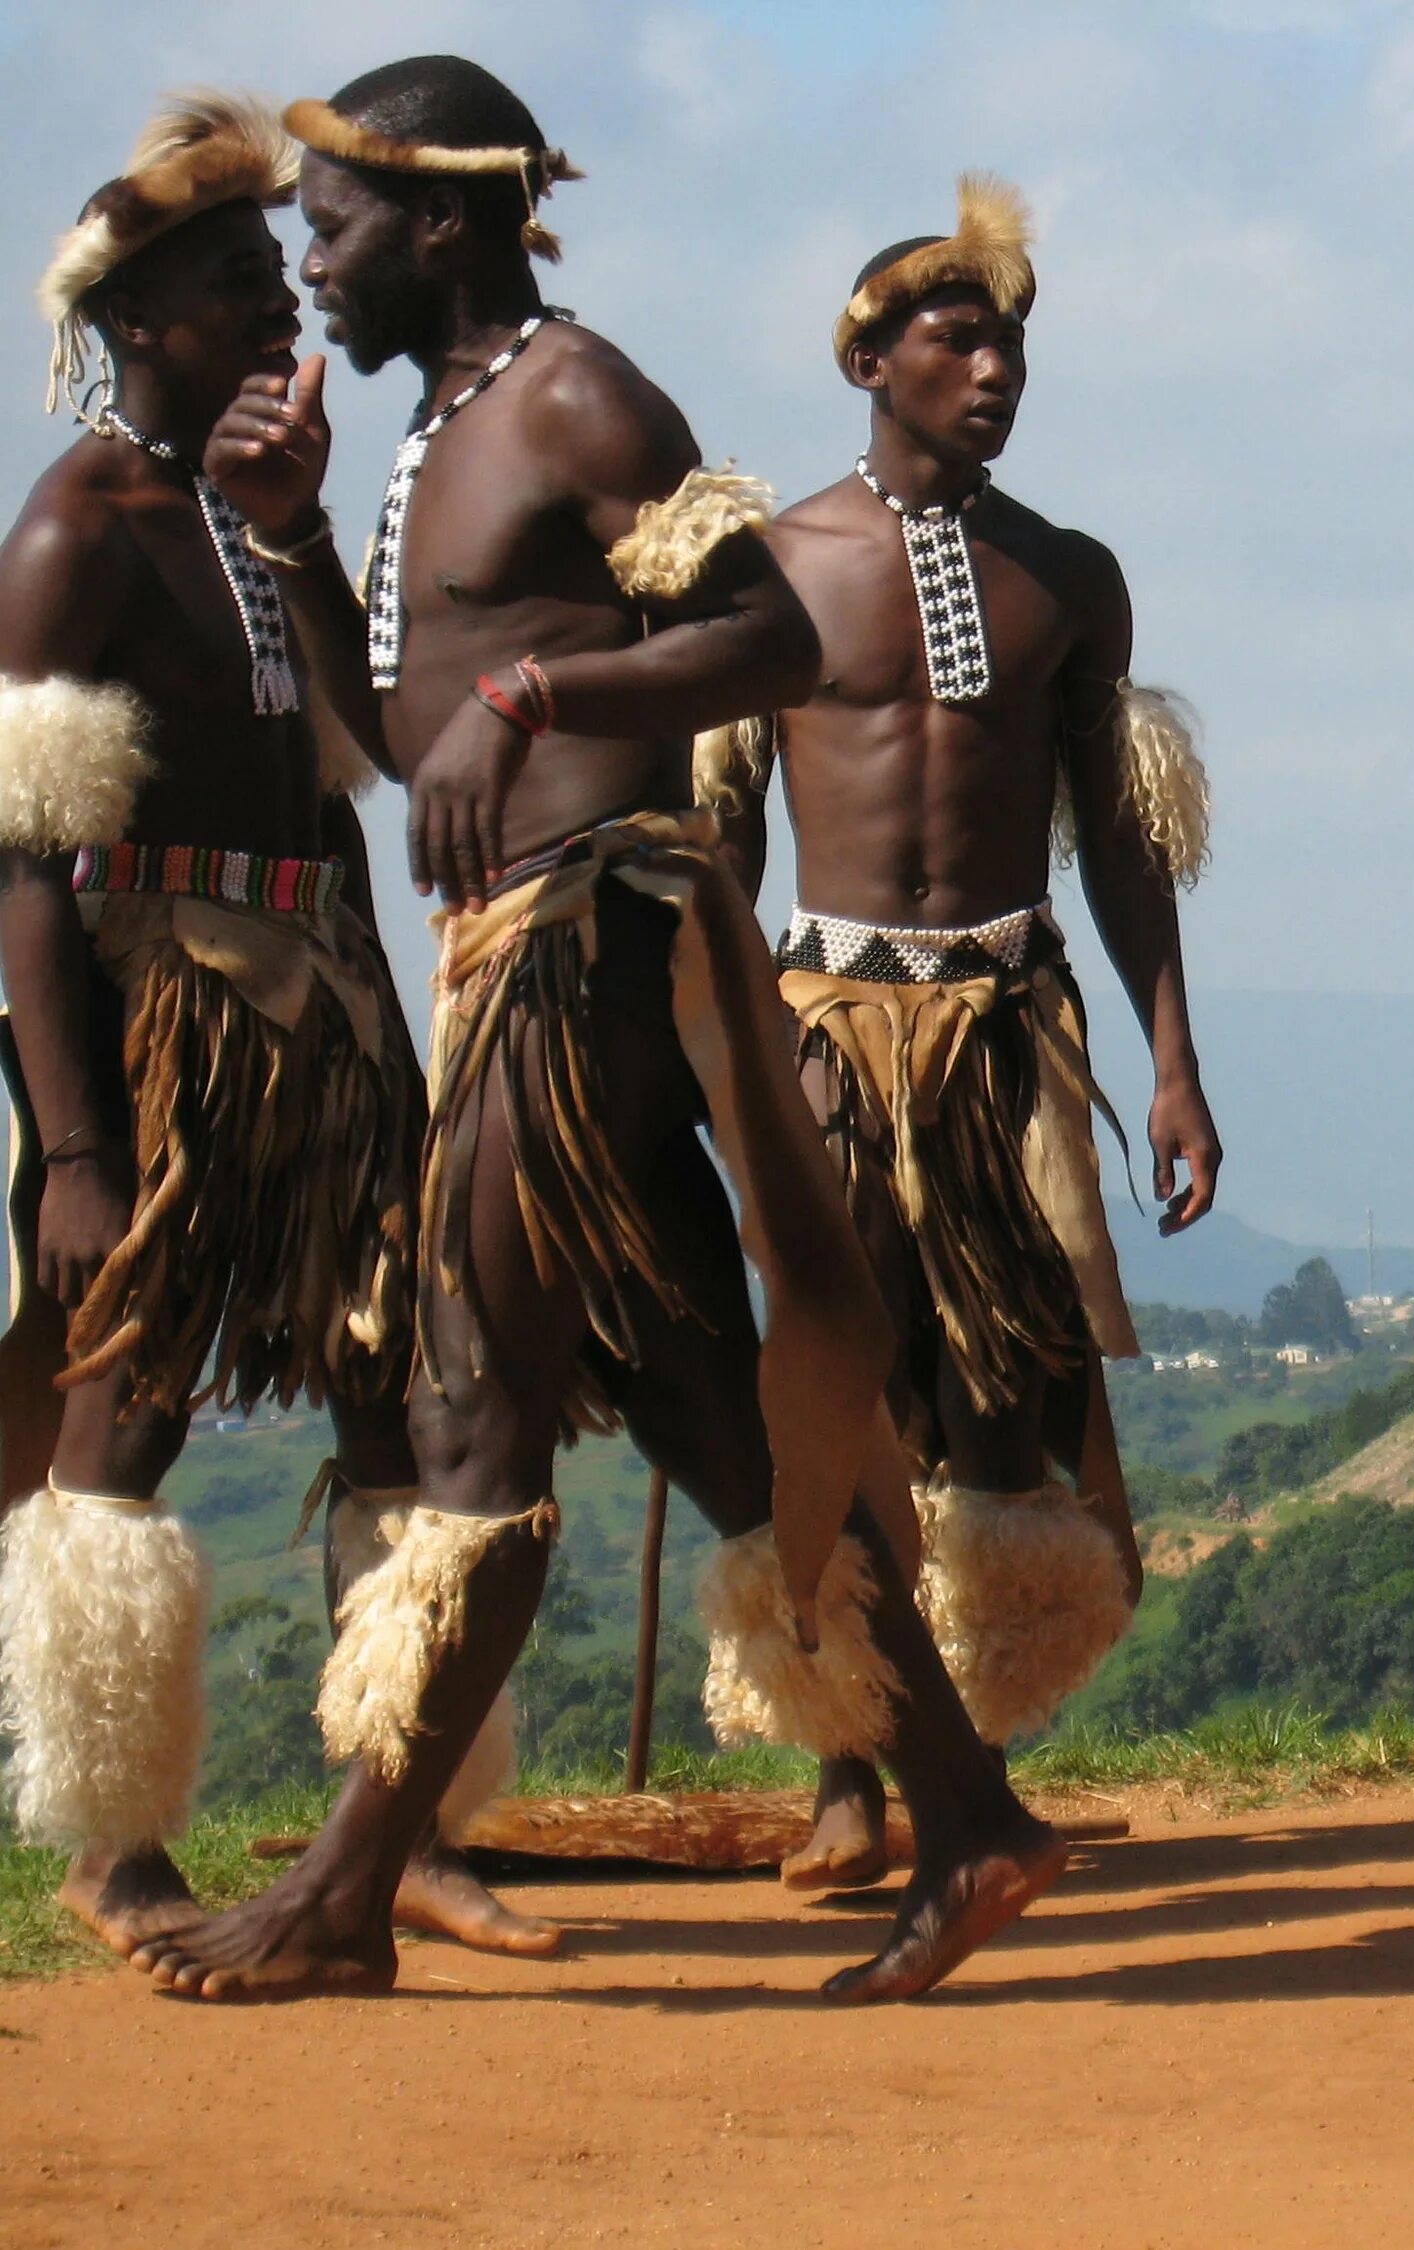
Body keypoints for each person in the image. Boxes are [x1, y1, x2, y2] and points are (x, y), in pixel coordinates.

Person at [130, 55, 1066, 2003]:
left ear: (443, 220)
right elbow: (413, 754)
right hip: (513, 959)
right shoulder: (429, 440)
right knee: (704, 1413)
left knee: (477, 1418)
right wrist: (300, 544)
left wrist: (549, 691)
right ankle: (969, 1819)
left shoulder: (571, 394)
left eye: (335, 222)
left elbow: (772, 635)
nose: (312, 264)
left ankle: (338, 1894)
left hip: (594, 950)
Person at [0, 91, 547, 1965]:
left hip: (331, 1011)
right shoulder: (77, 525)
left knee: (395, 1388)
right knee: (128, 1404)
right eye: (237, 282)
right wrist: (77, 1148)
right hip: (161, 1022)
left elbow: (352, 792)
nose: (277, 303)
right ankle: (114, 1835)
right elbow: (21, 868)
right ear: (140, 321)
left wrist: (389, 1036)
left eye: (275, 269)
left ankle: (407, 1831)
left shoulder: (253, 523)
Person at [712, 173, 1220, 1889]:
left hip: (1011, 1023)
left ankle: (971, 1765)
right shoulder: (770, 564)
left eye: (1010, 339)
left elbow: (1124, 842)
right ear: (869, 354)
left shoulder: (1069, 579)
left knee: (1009, 1399)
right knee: (840, 1402)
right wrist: (691, 1068)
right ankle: (847, 1773)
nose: (994, 367)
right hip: (826, 1025)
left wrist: (1171, 1059)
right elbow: (711, 852)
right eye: (956, 335)